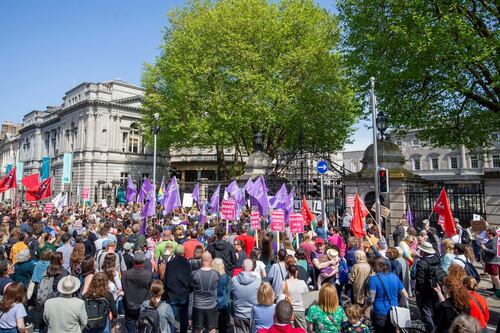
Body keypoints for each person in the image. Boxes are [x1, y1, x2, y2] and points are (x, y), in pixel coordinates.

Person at [363, 256, 408, 333]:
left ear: (375, 266)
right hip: (394, 312)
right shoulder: (394, 277)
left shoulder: (373, 279)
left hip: (380, 313)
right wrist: (399, 306)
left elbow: (371, 300)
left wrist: (363, 309)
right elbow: (405, 295)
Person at [121, 250, 153, 333]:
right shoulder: (148, 274)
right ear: (143, 262)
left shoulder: (126, 274)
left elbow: (124, 287)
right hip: (143, 305)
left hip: (130, 304)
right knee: (143, 327)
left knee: (131, 325)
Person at [415, 241, 442, 332]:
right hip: (437, 287)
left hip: (426, 289)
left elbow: (420, 280)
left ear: (424, 251)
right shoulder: (437, 258)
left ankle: (431, 330)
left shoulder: (421, 263)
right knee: (436, 308)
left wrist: (419, 291)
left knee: (426, 311)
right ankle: (437, 327)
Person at [190, 252, 219, 333]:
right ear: (211, 260)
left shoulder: (194, 274)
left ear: (201, 261)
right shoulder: (216, 274)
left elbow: (191, 286)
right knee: (212, 328)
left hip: (198, 305)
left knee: (198, 329)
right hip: (211, 305)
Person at [164, 245, 191, 333]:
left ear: (175, 253)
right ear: (183, 253)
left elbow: (166, 279)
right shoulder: (187, 263)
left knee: (172, 317)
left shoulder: (170, 263)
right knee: (184, 317)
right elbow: (189, 279)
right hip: (183, 293)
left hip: (172, 293)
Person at [231, 259, 260, 333]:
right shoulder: (258, 281)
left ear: (242, 266)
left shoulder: (234, 280)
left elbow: (231, 296)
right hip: (252, 314)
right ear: (252, 267)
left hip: (239, 313)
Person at [279, 262, 308, 329]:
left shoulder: (284, 283)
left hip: (288, 311)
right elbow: (306, 297)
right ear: (296, 272)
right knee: (302, 330)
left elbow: (280, 297)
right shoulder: (302, 283)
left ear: (288, 272)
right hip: (300, 310)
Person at [212, 258, 232, 333]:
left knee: (212, 324)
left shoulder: (211, 276)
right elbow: (227, 290)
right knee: (223, 325)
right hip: (223, 301)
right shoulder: (225, 277)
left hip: (213, 302)